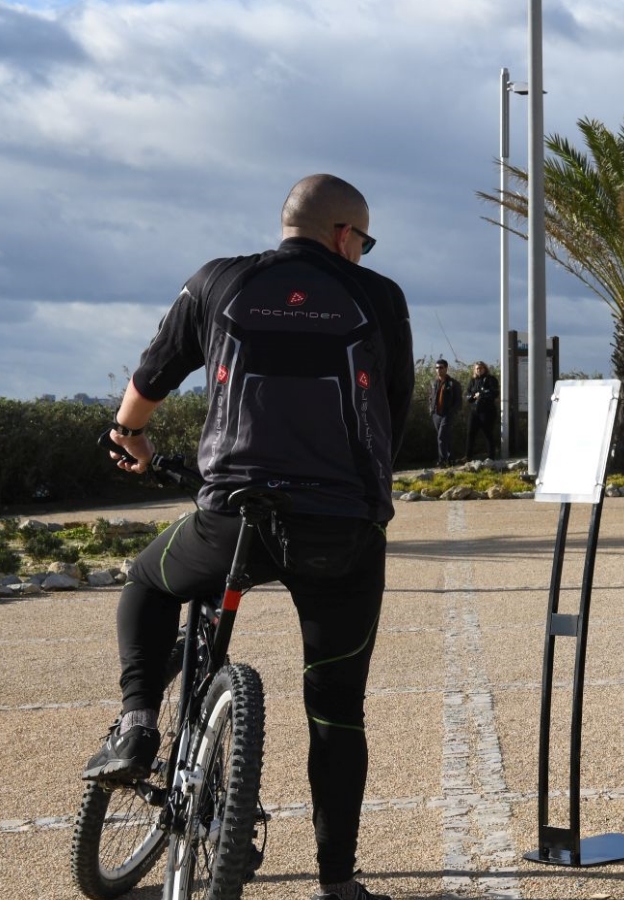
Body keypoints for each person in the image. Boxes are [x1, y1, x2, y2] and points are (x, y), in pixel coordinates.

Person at [86, 174, 412, 900]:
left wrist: (129, 438)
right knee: (335, 708)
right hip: (342, 531)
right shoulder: (380, 298)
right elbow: (394, 414)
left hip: (233, 519)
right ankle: (339, 883)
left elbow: (149, 379)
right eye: (364, 239)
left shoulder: (217, 282)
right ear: (343, 235)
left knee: (147, 580)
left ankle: (138, 723)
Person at [428, 360, 463, 465]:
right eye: (437, 368)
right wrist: (431, 410)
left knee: (441, 436)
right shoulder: (434, 383)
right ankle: (450, 458)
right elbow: (430, 398)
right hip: (436, 414)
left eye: (441, 367)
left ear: (446, 368)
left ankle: (442, 460)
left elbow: (458, 401)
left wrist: (452, 412)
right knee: (446, 436)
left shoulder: (453, 383)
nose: (438, 370)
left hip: (447, 414)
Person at [464, 361, 500, 460]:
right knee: (470, 433)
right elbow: (468, 395)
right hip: (474, 411)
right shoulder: (472, 381)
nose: (479, 370)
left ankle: (491, 457)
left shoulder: (490, 379)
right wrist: (473, 396)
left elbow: (495, 393)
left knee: (487, 433)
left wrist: (481, 394)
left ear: (485, 369)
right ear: (474, 370)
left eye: (481, 368)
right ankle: (468, 457)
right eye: (477, 368)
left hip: (487, 411)